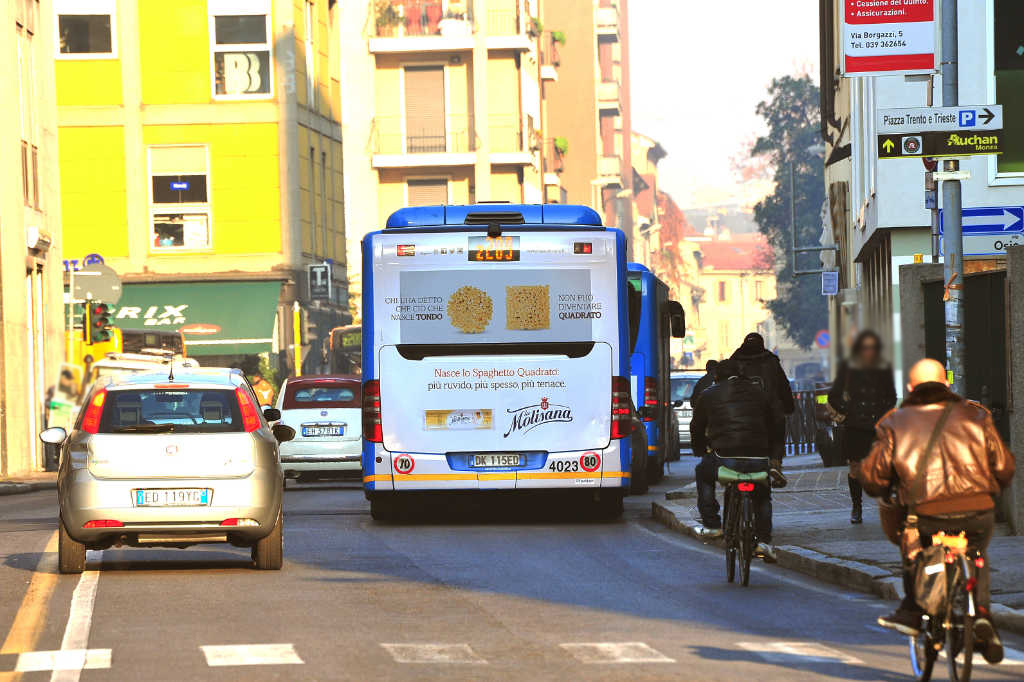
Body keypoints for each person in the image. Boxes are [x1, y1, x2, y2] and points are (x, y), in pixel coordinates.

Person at [858, 359, 1015, 663]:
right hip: (977, 511)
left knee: (914, 549)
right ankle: (981, 614)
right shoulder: (976, 415)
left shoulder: (895, 421)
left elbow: (874, 478)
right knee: (976, 553)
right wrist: (988, 489)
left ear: (910, 389)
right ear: (946, 385)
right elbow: (1004, 467)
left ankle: (913, 612)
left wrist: (885, 489)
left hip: (926, 516)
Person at [691, 359, 785, 561]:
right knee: (762, 494)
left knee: (703, 473)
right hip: (758, 456)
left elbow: (696, 427)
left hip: (725, 457)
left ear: (717, 377)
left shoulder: (709, 394)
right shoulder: (761, 393)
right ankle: (764, 541)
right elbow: (777, 423)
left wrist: (700, 449)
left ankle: (712, 524)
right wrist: (775, 455)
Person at [827, 330, 897, 524]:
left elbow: (891, 396)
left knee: (885, 465)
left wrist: (882, 414)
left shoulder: (883, 368)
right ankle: (856, 507)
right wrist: (848, 410)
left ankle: (887, 502)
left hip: (877, 426)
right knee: (855, 468)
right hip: (856, 426)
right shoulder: (848, 369)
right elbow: (834, 396)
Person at [730, 333, 794, 471]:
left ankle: (735, 464)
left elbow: (724, 386)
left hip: (741, 413)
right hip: (770, 411)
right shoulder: (771, 361)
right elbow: (784, 386)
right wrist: (789, 407)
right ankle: (775, 462)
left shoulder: (734, 361)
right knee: (777, 432)